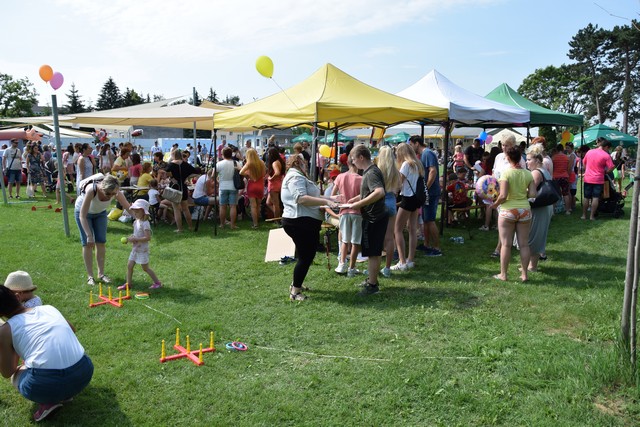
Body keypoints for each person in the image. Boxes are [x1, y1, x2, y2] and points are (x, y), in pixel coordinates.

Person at [0, 283, 94, 422]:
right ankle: (66, 394)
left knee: (16, 375)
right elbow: (72, 329)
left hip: (45, 386)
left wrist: (14, 345)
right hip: (84, 372)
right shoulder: (49, 308)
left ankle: (48, 402)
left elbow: (7, 372)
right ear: (17, 296)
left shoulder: (5, 330)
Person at [281, 155, 338, 301]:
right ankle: (295, 291)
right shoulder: (295, 177)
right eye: (304, 162)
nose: (306, 164)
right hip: (299, 222)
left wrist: (331, 199)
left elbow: (310, 197)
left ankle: (296, 284)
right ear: (298, 163)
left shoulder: (298, 176)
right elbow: (301, 198)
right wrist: (326, 201)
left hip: (303, 221)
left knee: (305, 256)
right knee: (306, 257)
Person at [341, 144, 387, 296]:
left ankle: (372, 286)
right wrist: (356, 198)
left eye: (353, 159)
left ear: (361, 157)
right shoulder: (370, 171)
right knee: (374, 251)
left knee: (373, 252)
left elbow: (379, 192)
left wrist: (359, 204)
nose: (353, 163)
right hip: (375, 216)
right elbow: (369, 192)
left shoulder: (371, 173)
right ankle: (372, 280)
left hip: (374, 218)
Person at [490, 146, 537, 282]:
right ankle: (524, 275)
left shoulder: (506, 173)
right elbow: (533, 194)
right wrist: (522, 194)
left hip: (508, 211)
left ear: (508, 158)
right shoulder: (528, 173)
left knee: (506, 244)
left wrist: (495, 205)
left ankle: (503, 275)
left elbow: (503, 195)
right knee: (524, 244)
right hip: (525, 210)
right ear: (520, 157)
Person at [76, 174, 132, 285]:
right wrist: (89, 236)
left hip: (100, 213)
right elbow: (82, 216)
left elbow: (128, 207)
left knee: (101, 242)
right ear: (102, 188)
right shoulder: (92, 190)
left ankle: (101, 274)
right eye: (108, 194)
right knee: (88, 244)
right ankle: (90, 276)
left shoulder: (116, 192)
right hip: (84, 214)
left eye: (113, 194)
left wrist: (140, 219)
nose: (110, 196)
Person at [392, 143, 424, 271]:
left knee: (397, 229)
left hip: (407, 198)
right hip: (416, 199)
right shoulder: (417, 164)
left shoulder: (406, 164)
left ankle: (402, 261)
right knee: (412, 229)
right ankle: (410, 260)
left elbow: (399, 182)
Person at [118, 199, 162, 291]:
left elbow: (148, 238)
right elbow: (136, 234)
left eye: (137, 212)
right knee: (129, 266)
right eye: (134, 211)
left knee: (145, 268)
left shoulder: (145, 223)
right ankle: (128, 284)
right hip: (135, 248)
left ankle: (157, 283)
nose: (135, 213)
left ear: (144, 212)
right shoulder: (136, 221)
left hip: (142, 249)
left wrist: (135, 239)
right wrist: (131, 238)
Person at [409, 135, 442, 256]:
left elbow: (433, 171)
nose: (411, 148)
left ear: (417, 143)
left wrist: (425, 188)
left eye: (411, 145)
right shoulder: (424, 154)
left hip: (431, 193)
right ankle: (427, 245)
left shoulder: (427, 153)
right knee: (426, 219)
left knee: (430, 220)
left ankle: (437, 248)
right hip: (428, 192)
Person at [332, 155, 363, 277]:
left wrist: (341, 199)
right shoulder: (361, 179)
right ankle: (351, 268)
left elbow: (333, 195)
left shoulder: (340, 177)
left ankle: (341, 264)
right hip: (357, 212)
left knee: (345, 240)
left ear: (348, 163)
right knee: (355, 242)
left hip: (344, 211)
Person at [376, 145, 401, 278]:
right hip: (391, 200)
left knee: (377, 237)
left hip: (380, 201)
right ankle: (387, 268)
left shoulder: (377, 170)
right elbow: (398, 187)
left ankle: (374, 267)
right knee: (390, 237)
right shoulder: (396, 171)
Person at [526, 152, 553, 272]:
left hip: (539, 207)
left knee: (534, 236)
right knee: (537, 235)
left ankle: (532, 266)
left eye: (529, 159)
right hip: (544, 206)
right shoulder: (543, 170)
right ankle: (530, 264)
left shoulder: (536, 172)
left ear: (537, 160)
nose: (526, 162)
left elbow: (530, 191)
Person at [582, 137, 615, 220]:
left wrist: (587, 170)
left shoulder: (589, 152)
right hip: (598, 179)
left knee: (586, 197)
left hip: (588, 178)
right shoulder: (606, 155)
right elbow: (612, 167)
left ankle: (584, 215)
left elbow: (584, 163)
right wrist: (606, 172)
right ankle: (591, 216)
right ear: (606, 147)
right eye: (608, 148)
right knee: (595, 197)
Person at [165, 149, 198, 232]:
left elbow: (166, 172)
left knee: (176, 209)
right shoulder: (185, 164)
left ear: (173, 155)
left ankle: (180, 229)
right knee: (185, 208)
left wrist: (172, 178)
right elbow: (196, 171)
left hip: (174, 187)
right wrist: (187, 177)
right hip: (183, 186)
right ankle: (190, 226)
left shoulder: (171, 164)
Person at [240, 148, 266, 229]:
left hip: (251, 185)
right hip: (260, 185)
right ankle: (258, 220)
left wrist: (248, 175)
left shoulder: (249, 164)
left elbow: (241, 172)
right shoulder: (261, 162)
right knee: (258, 205)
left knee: (253, 206)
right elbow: (264, 174)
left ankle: (255, 224)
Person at [266, 147, 285, 223]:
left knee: (275, 204)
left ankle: (277, 220)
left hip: (273, 185)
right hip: (278, 183)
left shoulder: (274, 163)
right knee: (268, 202)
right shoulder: (279, 161)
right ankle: (278, 216)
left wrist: (271, 178)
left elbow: (277, 173)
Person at [551, 143, 572, 214]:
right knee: (565, 194)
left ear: (556, 150)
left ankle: (553, 211)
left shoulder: (553, 158)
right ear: (563, 149)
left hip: (555, 177)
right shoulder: (567, 158)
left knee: (555, 194)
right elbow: (569, 168)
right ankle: (567, 210)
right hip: (564, 177)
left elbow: (552, 168)